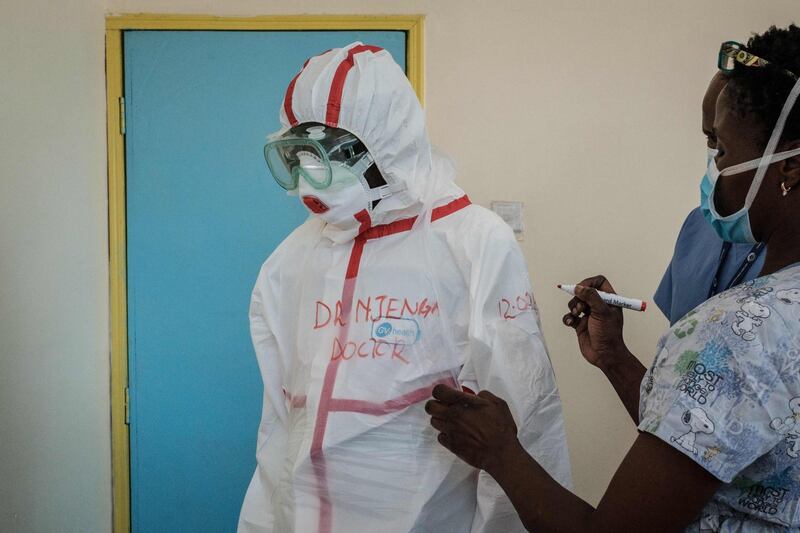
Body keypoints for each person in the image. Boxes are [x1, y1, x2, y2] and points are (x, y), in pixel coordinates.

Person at [426, 25, 800, 532]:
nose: (714, 172)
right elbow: (714, 429)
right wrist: (613, 359)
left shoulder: (737, 334)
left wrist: (501, 453)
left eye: (722, 153)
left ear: (791, 166)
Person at [237, 42, 571, 533]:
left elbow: (524, 419)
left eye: (329, 152)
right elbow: (279, 422)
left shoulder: (471, 242)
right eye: (299, 155)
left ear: (386, 142)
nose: (311, 180)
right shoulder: (294, 259)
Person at [655, 74, 765, 326]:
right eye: (709, 139)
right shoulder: (699, 226)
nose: (714, 159)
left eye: (723, 145)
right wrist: (613, 354)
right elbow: (682, 362)